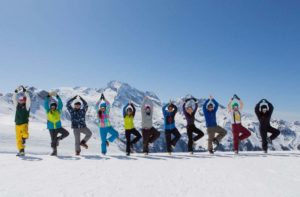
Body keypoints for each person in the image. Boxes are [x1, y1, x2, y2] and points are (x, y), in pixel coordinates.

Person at [44, 92, 70, 156]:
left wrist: (57, 96)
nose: (53, 107)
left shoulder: (58, 111)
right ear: (50, 107)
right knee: (53, 141)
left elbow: (60, 104)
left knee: (66, 133)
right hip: (51, 128)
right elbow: (45, 104)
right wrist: (48, 96)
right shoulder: (48, 111)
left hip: (58, 127)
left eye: (54, 106)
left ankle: (58, 138)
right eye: (52, 106)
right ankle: (54, 152)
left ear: (55, 107)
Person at [13, 86, 31, 157]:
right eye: (20, 100)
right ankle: (21, 151)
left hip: (24, 123)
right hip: (17, 124)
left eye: (22, 100)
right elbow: (14, 98)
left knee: (25, 133)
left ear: (25, 101)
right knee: (18, 139)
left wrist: (25, 92)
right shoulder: (17, 106)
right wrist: (16, 92)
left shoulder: (27, 106)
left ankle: (24, 138)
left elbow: (29, 99)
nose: (21, 101)